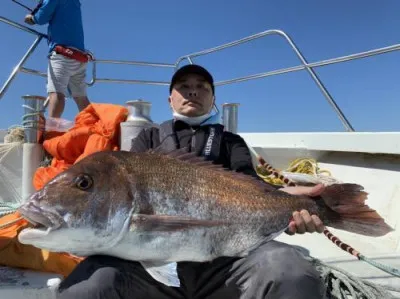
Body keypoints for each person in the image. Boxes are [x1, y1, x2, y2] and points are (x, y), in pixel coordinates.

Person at [55, 64, 326, 299]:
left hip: (225, 263)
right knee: (87, 285)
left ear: (213, 99)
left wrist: (295, 204)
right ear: (170, 99)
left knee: (292, 270)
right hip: (149, 265)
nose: (193, 91)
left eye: (202, 87)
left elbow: (254, 193)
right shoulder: (148, 139)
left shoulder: (232, 143)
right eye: (184, 86)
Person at [24, 0, 91, 118]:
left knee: (56, 93)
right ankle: (93, 128)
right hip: (79, 56)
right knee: (81, 97)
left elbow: (41, 18)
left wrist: (31, 18)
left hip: (62, 55)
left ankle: (53, 131)